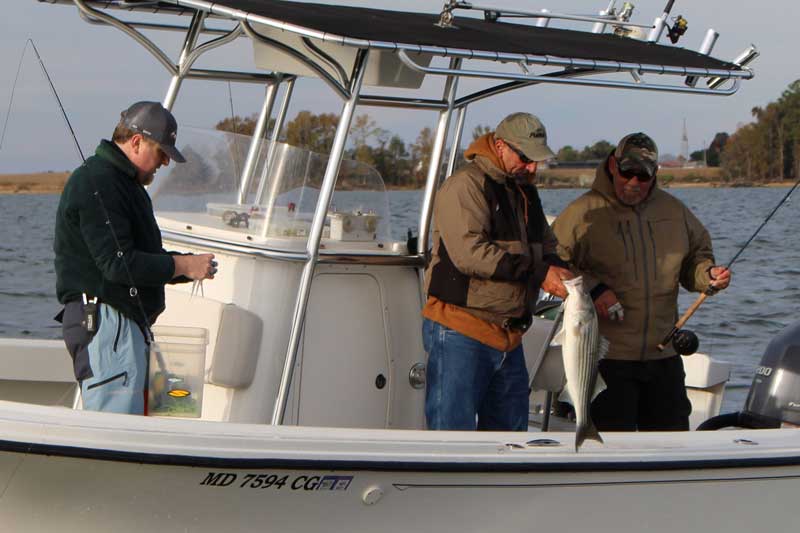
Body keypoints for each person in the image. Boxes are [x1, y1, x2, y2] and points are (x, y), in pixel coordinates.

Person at [551, 132, 731, 431]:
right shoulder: (581, 213)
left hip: (664, 358)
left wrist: (708, 275)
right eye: (626, 172)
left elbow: (696, 259)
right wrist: (594, 290)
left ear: (655, 174)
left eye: (642, 175)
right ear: (612, 165)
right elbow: (552, 263)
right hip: (607, 358)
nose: (633, 182)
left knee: (672, 450)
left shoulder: (675, 211)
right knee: (610, 451)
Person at [54, 101, 217, 415]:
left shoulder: (123, 185)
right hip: (106, 322)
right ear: (136, 141)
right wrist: (183, 265)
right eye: (161, 153)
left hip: (120, 324)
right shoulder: (98, 181)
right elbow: (119, 264)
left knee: (135, 426)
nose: (165, 163)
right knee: (114, 434)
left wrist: (190, 266)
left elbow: (139, 259)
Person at [422, 112, 572, 431]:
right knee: (450, 439)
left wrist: (564, 272)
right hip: (460, 330)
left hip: (509, 337)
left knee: (510, 442)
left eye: (537, 161)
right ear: (500, 146)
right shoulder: (464, 186)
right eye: (526, 158)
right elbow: (471, 255)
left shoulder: (525, 192)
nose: (532, 168)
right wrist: (539, 274)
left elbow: (546, 245)